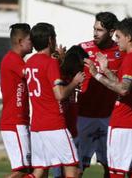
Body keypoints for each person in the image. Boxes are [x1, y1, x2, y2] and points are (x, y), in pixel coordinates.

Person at [85, 17, 132, 178]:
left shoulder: (131, 58)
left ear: (128, 37)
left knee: (116, 173)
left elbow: (123, 89)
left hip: (124, 124)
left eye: (119, 37)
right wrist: (106, 70)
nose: (117, 41)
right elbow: (125, 84)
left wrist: (96, 76)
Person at [24, 22, 84, 178]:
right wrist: (75, 82)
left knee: (39, 171)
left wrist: (59, 61)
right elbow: (60, 94)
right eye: (55, 37)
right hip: (54, 125)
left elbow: (44, 80)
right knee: (73, 170)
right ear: (50, 40)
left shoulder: (30, 62)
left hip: (37, 126)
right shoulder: (50, 62)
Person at [77, 11, 123, 177]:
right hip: (83, 116)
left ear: (111, 32)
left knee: (111, 167)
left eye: (100, 30)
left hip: (110, 117)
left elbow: (125, 83)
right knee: (77, 168)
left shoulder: (121, 51)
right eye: (94, 29)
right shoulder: (82, 49)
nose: (95, 33)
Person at [0, 23, 33, 178]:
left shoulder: (18, 60)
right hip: (14, 122)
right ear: (20, 42)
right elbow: (33, 75)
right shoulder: (12, 60)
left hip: (20, 121)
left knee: (31, 170)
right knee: (21, 170)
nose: (32, 43)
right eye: (30, 40)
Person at [52, 45, 88, 178]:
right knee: (61, 174)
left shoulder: (72, 76)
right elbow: (60, 95)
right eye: (80, 65)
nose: (81, 69)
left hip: (74, 131)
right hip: (60, 133)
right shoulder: (58, 74)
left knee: (78, 172)